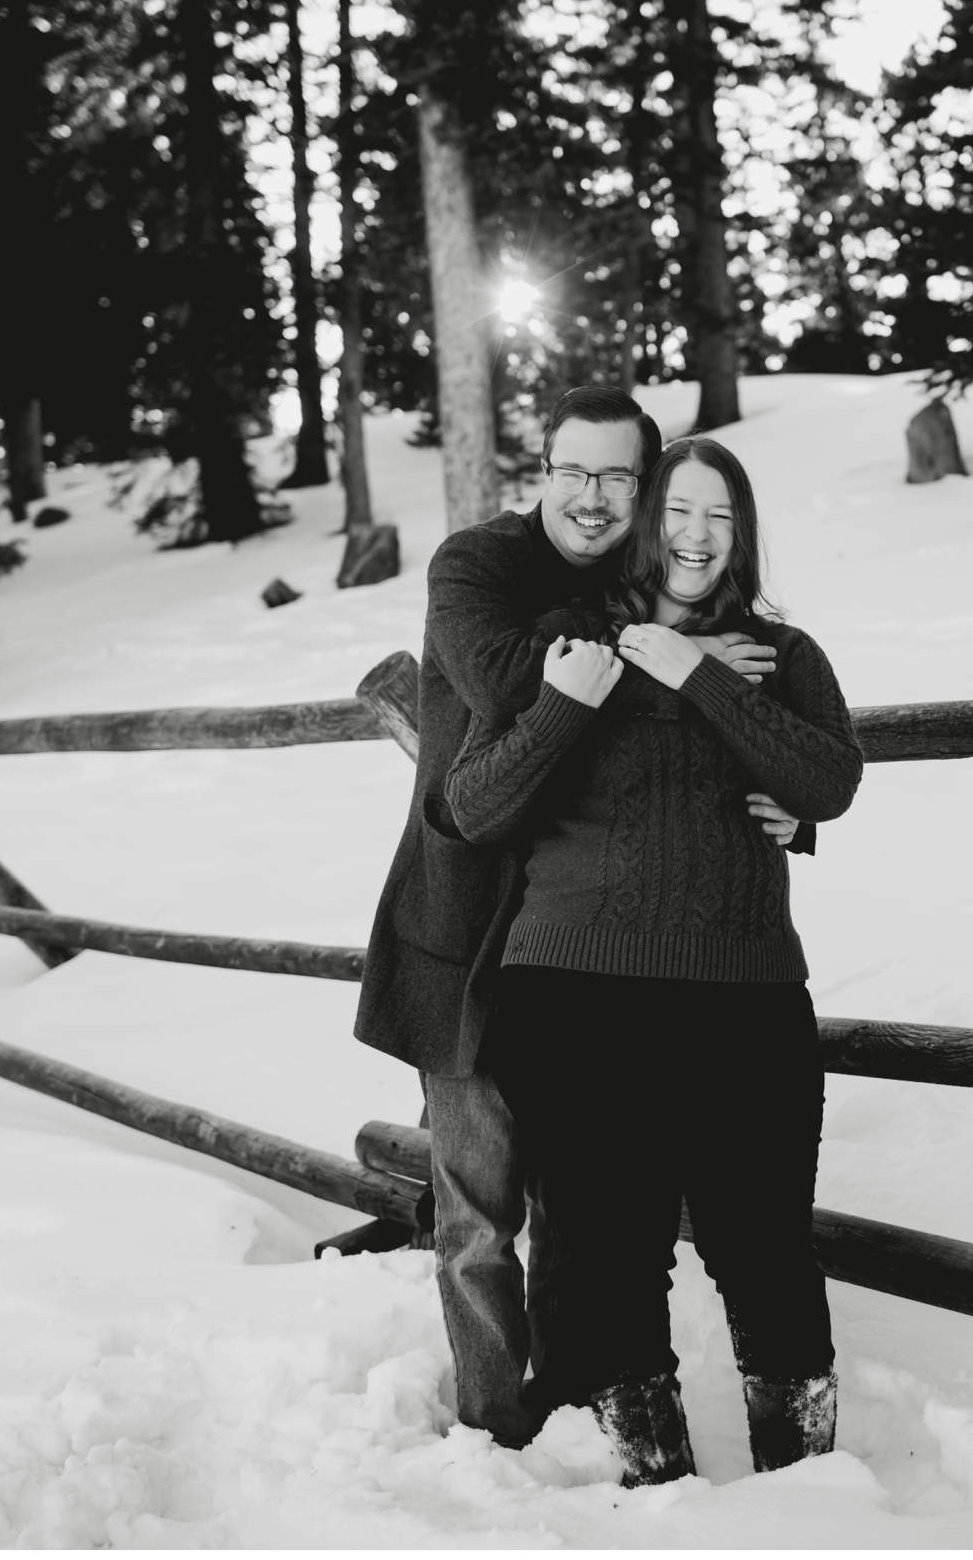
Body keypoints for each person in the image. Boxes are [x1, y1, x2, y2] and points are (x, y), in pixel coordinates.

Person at [353, 388, 807, 1449]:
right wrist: (675, 668)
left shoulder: (646, 579)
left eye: (620, 477)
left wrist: (781, 812)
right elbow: (520, 683)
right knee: (476, 1203)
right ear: (540, 471)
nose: (596, 498)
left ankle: (574, 1394)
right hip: (468, 921)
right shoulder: (477, 567)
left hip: (586, 936)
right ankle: (492, 1424)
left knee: (582, 1204)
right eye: (574, 471)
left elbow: (695, 746)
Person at [444, 434, 863, 1484]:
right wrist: (603, 688)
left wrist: (699, 674)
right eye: (678, 509)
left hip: (747, 993)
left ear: (744, 533)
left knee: (766, 1250)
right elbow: (476, 801)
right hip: (579, 995)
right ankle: (661, 1492)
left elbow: (827, 779)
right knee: (609, 1258)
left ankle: (810, 1497)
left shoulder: (783, 655)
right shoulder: (567, 642)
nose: (696, 534)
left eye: (721, 516)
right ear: (645, 521)